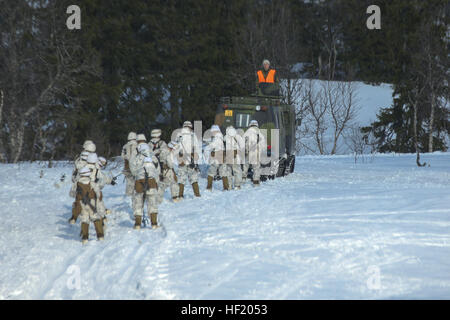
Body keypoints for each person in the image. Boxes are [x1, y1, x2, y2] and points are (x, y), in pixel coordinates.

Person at [129, 143, 161, 229]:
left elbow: (133, 171)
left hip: (139, 182)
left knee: (138, 203)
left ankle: (137, 224)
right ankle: (154, 223)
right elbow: (157, 171)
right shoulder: (153, 158)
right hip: (151, 182)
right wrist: (156, 183)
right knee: (152, 204)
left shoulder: (137, 158)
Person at [68, 141, 96, 224]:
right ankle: (92, 216)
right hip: (90, 184)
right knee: (92, 199)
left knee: (78, 200)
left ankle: (74, 217)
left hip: (79, 183)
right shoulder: (93, 159)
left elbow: (74, 172)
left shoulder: (79, 159)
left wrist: (74, 180)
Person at [77, 166, 104, 244]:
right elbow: (98, 194)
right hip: (92, 203)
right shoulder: (92, 183)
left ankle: (85, 238)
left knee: (84, 219)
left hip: (81, 204)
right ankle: (100, 236)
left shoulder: (77, 184)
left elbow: (72, 194)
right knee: (95, 218)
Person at [176, 121, 201, 198]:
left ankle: (180, 195)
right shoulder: (193, 135)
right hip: (191, 159)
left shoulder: (178, 135)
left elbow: (176, 148)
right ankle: (197, 195)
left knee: (181, 179)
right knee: (193, 178)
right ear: (190, 127)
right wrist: (196, 161)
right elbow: (197, 149)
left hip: (181, 159)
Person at [204, 125, 227, 191]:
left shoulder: (217, 137)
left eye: (212, 131)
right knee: (223, 172)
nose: (212, 133)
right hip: (221, 156)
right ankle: (226, 187)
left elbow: (213, 145)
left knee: (211, 172)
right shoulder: (220, 137)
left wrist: (207, 147)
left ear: (216, 131)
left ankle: (209, 187)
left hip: (216, 156)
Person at [243, 120, 265, 185]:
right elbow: (263, 144)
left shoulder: (247, 132)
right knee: (256, 168)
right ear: (257, 124)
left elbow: (242, 142)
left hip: (248, 152)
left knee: (245, 166)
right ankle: (256, 182)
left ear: (250, 124)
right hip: (256, 152)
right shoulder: (259, 132)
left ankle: (243, 179)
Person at [223, 126, 245, 190]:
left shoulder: (225, 137)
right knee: (237, 171)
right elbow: (242, 146)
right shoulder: (237, 136)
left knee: (228, 171)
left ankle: (229, 186)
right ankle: (237, 185)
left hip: (228, 156)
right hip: (236, 156)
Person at [121, 132, 137, 197]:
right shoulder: (138, 145)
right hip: (136, 167)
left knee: (129, 182)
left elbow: (122, 156)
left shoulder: (125, 146)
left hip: (127, 167)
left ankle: (128, 195)